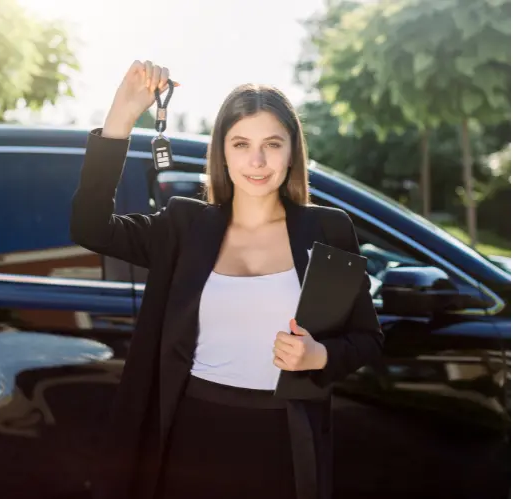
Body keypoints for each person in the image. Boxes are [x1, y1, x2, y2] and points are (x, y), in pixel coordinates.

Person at [70, 60, 384, 499]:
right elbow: (90, 228)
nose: (256, 161)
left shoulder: (328, 229)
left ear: (292, 151)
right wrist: (122, 117)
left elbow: (368, 339)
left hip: (286, 443)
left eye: (272, 144)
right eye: (241, 144)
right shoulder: (184, 224)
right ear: (223, 152)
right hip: (189, 437)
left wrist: (319, 356)